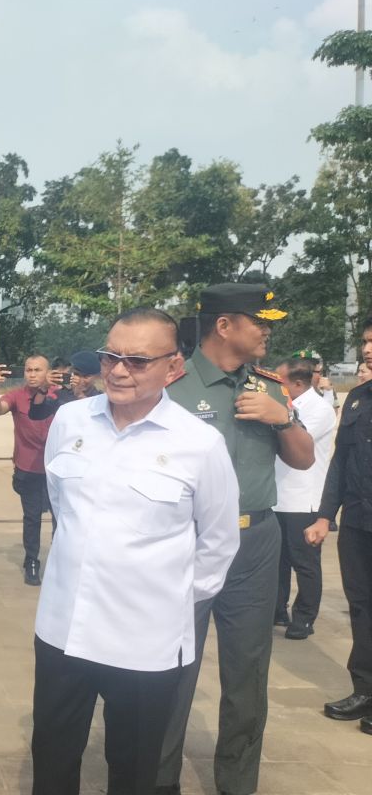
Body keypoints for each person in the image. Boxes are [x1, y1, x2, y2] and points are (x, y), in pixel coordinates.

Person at [32, 308, 240, 795]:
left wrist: (165, 599)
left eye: (138, 361)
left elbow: (218, 543)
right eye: (110, 357)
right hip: (64, 628)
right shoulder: (71, 420)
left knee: (134, 770)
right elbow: (62, 505)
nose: (119, 371)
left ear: (173, 367)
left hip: (145, 641)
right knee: (53, 758)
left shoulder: (199, 443)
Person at [156, 283, 313, 795]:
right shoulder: (171, 386)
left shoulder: (270, 388)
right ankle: (157, 780)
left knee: (248, 672)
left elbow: (304, 459)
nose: (267, 331)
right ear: (223, 325)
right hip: (186, 542)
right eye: (259, 321)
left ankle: (237, 782)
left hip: (255, 543)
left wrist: (283, 418)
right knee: (171, 667)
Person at [306, 315, 372, 733]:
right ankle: (364, 689)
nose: (367, 350)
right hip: (358, 522)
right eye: (366, 342)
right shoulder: (358, 399)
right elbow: (341, 462)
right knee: (361, 606)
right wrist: (325, 514)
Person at [272, 356, 336, 640]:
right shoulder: (286, 404)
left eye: (280, 381)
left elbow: (297, 438)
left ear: (297, 383)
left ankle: (305, 617)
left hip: (303, 498)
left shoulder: (319, 409)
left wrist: (276, 417)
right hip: (277, 496)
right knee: (278, 561)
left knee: (305, 563)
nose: (275, 385)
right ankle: (277, 609)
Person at [0, 355, 58, 586]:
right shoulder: (18, 396)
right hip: (28, 468)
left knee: (60, 518)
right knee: (32, 517)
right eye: (29, 370)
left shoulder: (58, 395)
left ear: (47, 372)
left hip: (55, 470)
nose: (32, 374)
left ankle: (60, 559)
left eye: (38, 370)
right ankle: (31, 561)